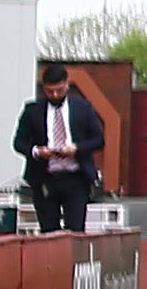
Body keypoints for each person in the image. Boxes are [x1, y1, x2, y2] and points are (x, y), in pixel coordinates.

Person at [16, 78, 106, 232]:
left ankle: (73, 256)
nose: (55, 95)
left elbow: (98, 140)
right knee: (49, 231)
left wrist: (76, 148)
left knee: (75, 229)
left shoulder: (83, 108)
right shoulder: (33, 110)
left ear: (66, 85)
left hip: (75, 178)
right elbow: (19, 142)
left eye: (59, 90)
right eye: (50, 91)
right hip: (45, 178)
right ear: (43, 88)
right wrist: (37, 151)